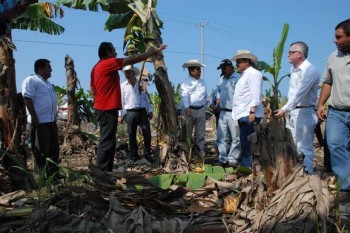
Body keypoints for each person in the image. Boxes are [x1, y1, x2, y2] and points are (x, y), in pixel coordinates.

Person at [90, 42, 166, 171]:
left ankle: (106, 170)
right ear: (108, 52)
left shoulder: (96, 67)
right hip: (107, 109)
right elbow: (132, 59)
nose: (116, 53)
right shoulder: (108, 63)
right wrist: (153, 52)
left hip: (104, 108)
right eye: (114, 50)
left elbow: (92, 89)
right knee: (107, 141)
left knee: (110, 141)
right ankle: (101, 172)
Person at [275, 41, 320, 175]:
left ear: (299, 54)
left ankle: (307, 174)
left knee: (305, 146)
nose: (288, 55)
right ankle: (295, 173)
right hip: (294, 112)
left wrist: (284, 109)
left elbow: (299, 93)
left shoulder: (310, 70)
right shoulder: (293, 69)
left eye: (291, 52)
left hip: (305, 111)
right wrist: (288, 110)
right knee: (293, 144)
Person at [317, 19, 350, 192]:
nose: (334, 40)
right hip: (337, 111)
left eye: (339, 37)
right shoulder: (333, 57)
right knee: (335, 144)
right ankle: (346, 187)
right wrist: (320, 103)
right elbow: (328, 82)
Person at [22, 59, 60, 178]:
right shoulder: (31, 80)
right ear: (40, 69)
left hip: (50, 121)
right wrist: (34, 117)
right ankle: (42, 176)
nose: (51, 70)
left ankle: (53, 174)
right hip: (39, 122)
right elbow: (27, 98)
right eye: (48, 67)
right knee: (41, 151)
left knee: (53, 149)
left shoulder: (48, 84)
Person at [231, 50, 263, 168]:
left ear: (247, 61)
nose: (237, 64)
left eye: (239, 62)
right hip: (242, 113)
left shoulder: (254, 74)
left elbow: (256, 94)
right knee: (244, 142)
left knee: (249, 143)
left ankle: (249, 166)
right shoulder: (244, 75)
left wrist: (252, 112)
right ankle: (246, 165)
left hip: (248, 113)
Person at [118, 65, 153, 162]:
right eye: (126, 73)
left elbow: (146, 98)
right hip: (130, 112)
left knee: (147, 132)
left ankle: (147, 154)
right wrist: (120, 115)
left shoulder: (141, 84)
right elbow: (121, 101)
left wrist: (150, 110)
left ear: (134, 74)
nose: (127, 74)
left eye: (129, 72)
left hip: (142, 111)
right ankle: (134, 155)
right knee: (131, 134)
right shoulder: (123, 86)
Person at [215, 59, 241, 166]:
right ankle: (222, 159)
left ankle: (232, 159)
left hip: (234, 112)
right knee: (221, 137)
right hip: (223, 112)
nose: (223, 70)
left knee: (236, 138)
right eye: (221, 68)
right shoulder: (221, 79)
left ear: (231, 68)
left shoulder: (238, 78)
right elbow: (219, 93)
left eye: (224, 68)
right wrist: (217, 104)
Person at [180, 59, 208, 158]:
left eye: (200, 70)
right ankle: (187, 154)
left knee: (200, 134)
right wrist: (187, 107)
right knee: (187, 134)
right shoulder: (185, 82)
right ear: (191, 71)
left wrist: (204, 107)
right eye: (198, 70)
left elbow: (205, 96)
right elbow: (184, 95)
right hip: (189, 110)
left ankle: (200, 153)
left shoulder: (203, 82)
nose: (199, 72)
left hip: (200, 110)